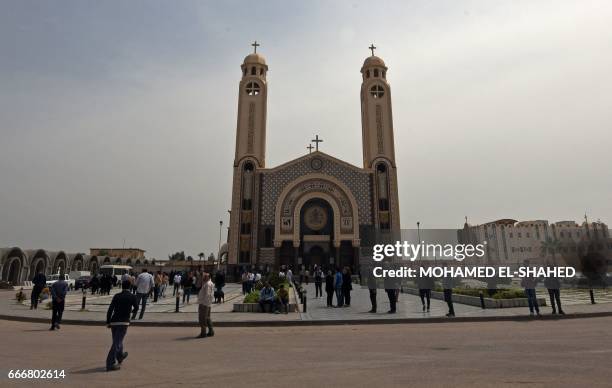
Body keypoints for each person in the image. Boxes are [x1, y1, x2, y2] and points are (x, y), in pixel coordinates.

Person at [105, 280, 138, 371]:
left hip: (114, 321)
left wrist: (108, 321)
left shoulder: (117, 296)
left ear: (122, 286)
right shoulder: (132, 296)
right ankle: (110, 363)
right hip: (124, 322)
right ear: (130, 287)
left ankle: (120, 356)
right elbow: (136, 308)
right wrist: (130, 313)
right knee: (117, 342)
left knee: (117, 340)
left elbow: (110, 309)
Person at [196, 272, 214, 338]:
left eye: (205, 276)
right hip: (207, 303)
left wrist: (204, 303)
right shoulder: (209, 283)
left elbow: (208, 294)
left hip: (204, 304)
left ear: (208, 277)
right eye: (204, 276)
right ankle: (211, 331)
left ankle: (203, 333)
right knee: (207, 318)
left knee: (202, 318)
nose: (204, 277)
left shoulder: (208, 284)